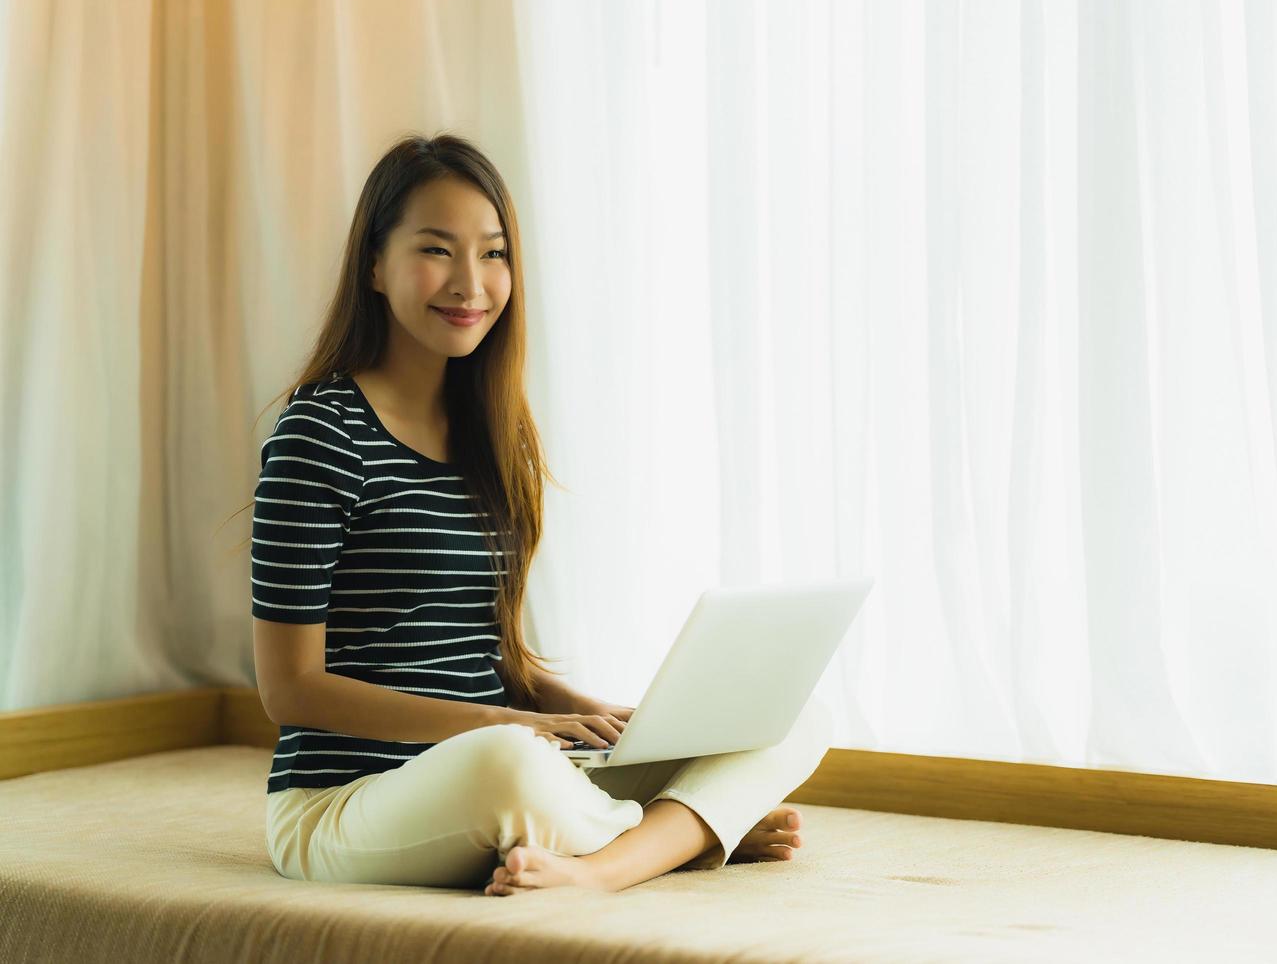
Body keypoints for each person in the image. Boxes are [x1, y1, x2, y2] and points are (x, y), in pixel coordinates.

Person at [238, 132, 832, 896]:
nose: (470, 282)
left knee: (792, 711)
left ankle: (623, 846)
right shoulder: (321, 432)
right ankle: (681, 834)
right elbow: (289, 691)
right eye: (436, 250)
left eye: (492, 254)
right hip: (343, 804)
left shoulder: (493, 437)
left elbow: (494, 658)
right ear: (374, 267)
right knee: (511, 764)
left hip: (492, 763)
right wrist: (500, 726)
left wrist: (594, 716)